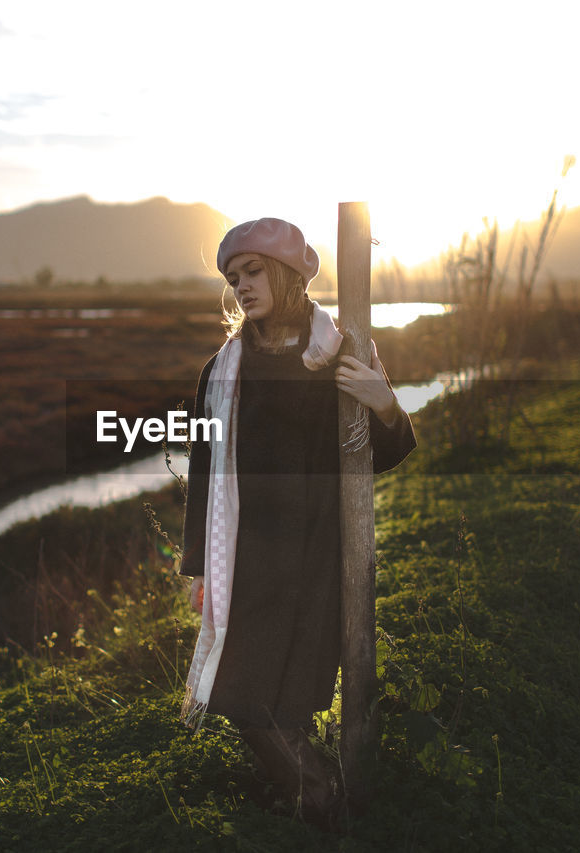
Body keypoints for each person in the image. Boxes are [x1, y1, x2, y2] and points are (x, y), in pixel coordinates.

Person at [178, 217, 416, 825]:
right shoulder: (222, 374)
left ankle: (311, 807)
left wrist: (383, 401)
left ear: (285, 273)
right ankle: (323, 796)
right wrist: (196, 569)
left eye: (253, 272)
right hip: (247, 562)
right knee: (237, 693)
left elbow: (385, 455)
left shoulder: (340, 355)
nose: (242, 288)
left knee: (297, 694)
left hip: (317, 558)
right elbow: (204, 473)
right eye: (233, 279)